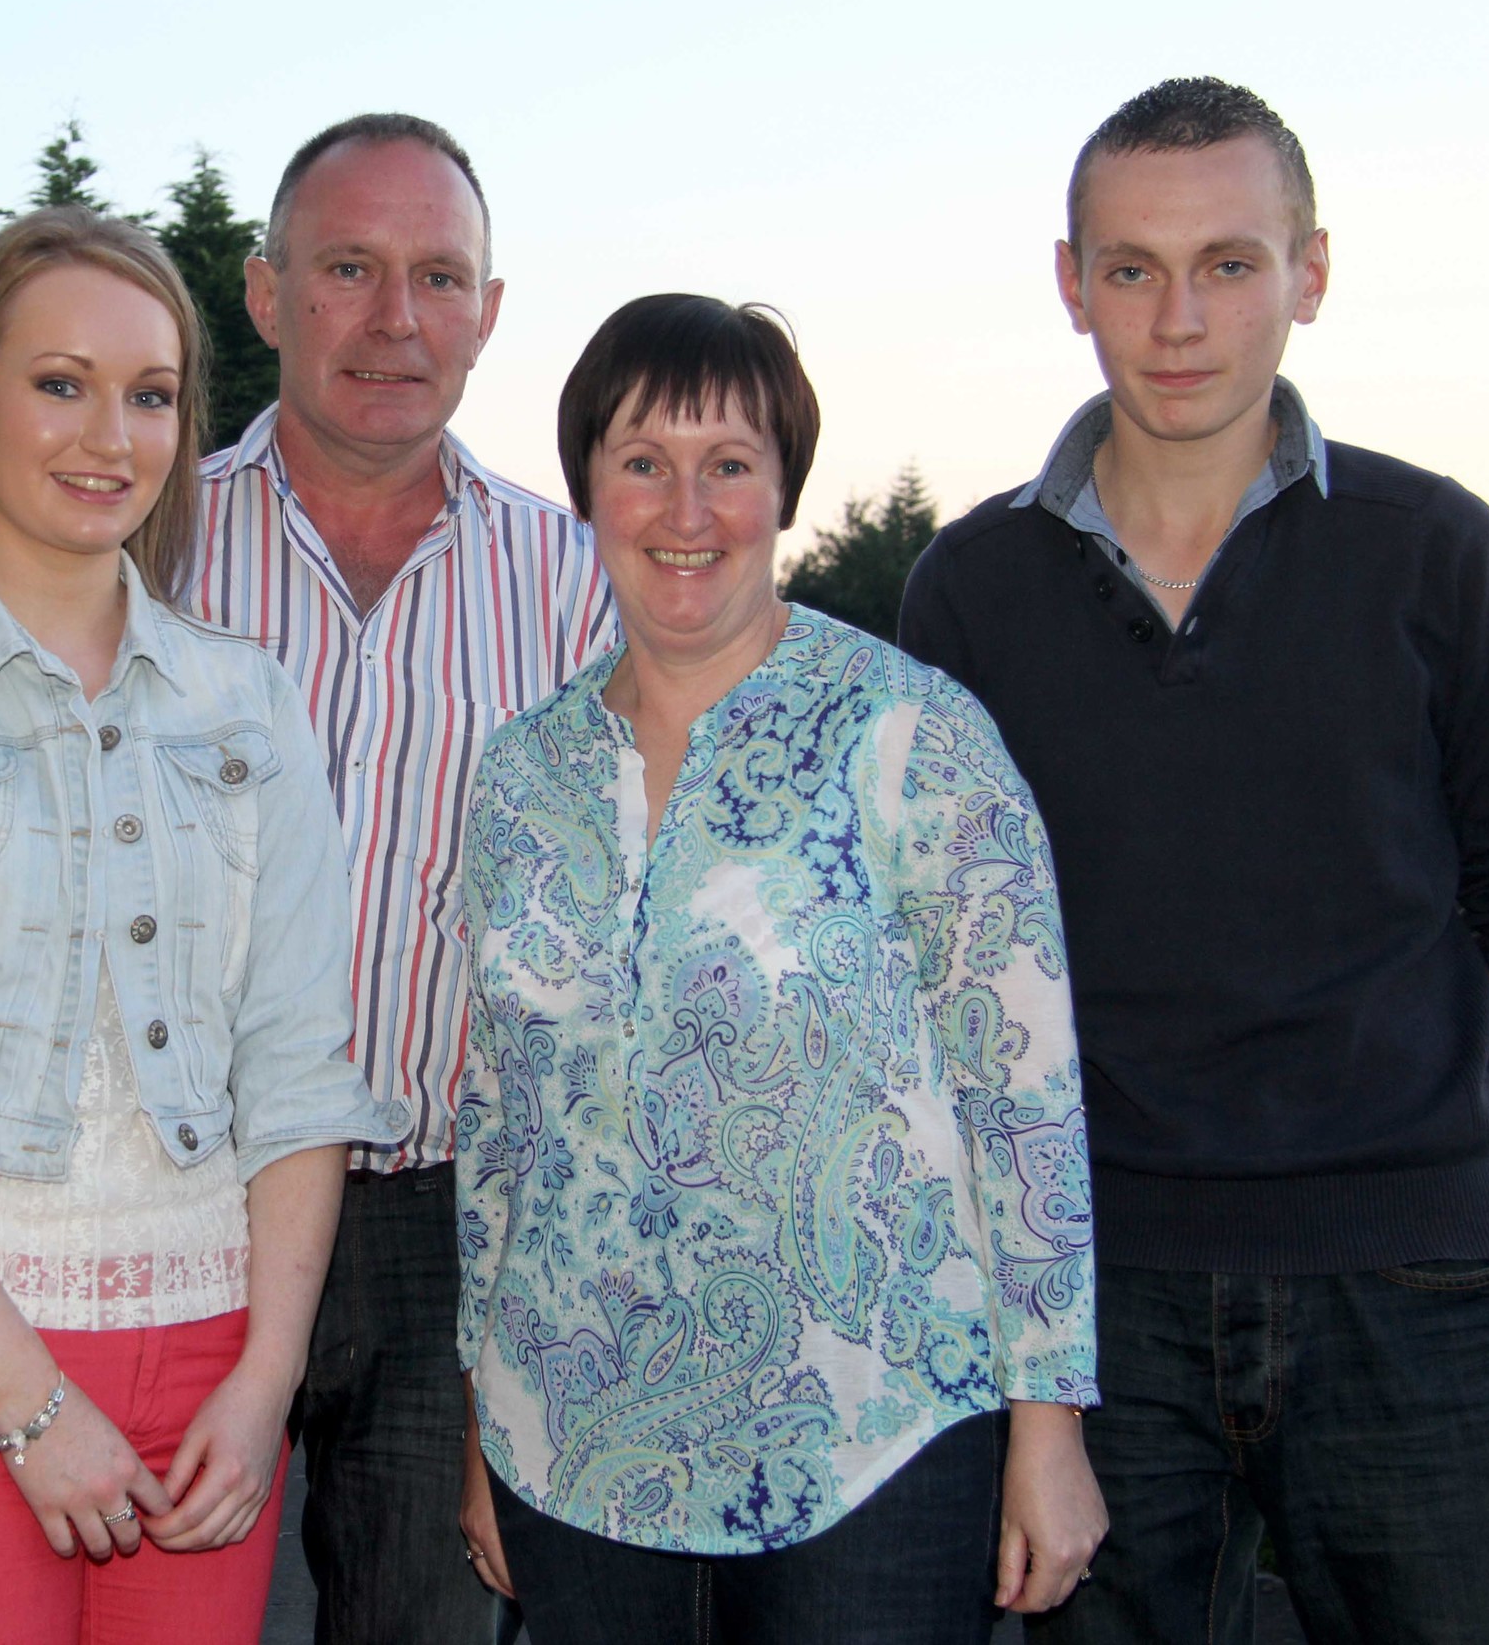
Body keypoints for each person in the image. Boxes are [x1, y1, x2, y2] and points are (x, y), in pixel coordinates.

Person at [898, 77, 1489, 1643]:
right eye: (1134, 267)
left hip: (1417, 1300)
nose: (1179, 319)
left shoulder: (1439, 553)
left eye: (1230, 262)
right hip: (1090, 1319)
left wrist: (1450, 1199)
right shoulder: (972, 587)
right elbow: (937, 958)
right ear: (1070, 282)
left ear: (1313, 272)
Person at [0, 206, 402, 1645]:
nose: (111, 431)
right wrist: (31, 1403)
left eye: (152, 393)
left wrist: (265, 1378)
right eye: (61, 382)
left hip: (211, 1386)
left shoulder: (251, 707)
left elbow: (300, 1066)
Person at [452, 293, 1106, 1644]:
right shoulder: (522, 775)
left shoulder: (912, 734)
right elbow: (498, 1125)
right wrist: (482, 1420)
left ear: (782, 489)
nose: (685, 507)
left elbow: (1023, 1090)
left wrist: (1049, 1428)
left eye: (729, 464)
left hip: (872, 1437)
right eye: (643, 461)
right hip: (573, 1441)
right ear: (588, 486)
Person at [187, 111, 618, 1645]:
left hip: (454, 1232)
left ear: (490, 312)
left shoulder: (574, 586)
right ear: (264, 292)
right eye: (349, 268)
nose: (394, 319)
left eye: (439, 277)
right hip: (180, 1206)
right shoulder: (146, 544)